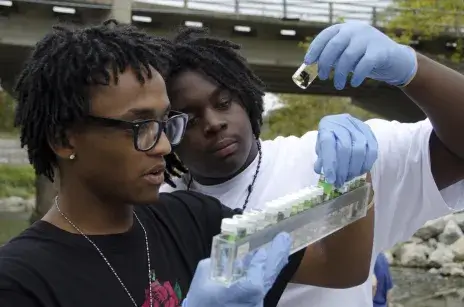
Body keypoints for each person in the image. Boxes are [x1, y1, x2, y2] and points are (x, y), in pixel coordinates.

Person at [0, 21, 372, 307]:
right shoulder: (20, 280)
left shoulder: (191, 219)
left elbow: (341, 267)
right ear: (65, 139)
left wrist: (355, 179)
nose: (163, 146)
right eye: (141, 126)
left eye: (165, 124)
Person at [160, 22, 464, 307]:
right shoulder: (158, 209)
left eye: (224, 103)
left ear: (246, 98)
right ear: (165, 131)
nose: (213, 123)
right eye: (190, 119)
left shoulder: (338, 159)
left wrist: (413, 69)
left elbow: (342, 268)